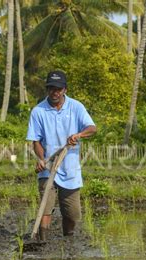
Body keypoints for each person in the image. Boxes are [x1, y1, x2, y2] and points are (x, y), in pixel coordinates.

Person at [26, 70, 96, 240]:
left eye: (58, 89)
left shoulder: (76, 107)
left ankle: (68, 240)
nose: (54, 92)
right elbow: (36, 141)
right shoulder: (38, 111)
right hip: (48, 169)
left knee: (72, 214)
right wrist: (42, 160)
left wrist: (78, 135)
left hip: (70, 168)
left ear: (65, 89)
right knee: (45, 209)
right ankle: (42, 243)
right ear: (47, 90)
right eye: (51, 88)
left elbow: (92, 128)